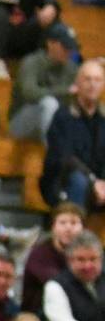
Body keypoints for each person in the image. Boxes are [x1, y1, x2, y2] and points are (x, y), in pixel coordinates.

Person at [41, 57, 105, 209]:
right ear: (77, 84)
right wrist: (92, 181)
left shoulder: (103, 117)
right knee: (78, 181)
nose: (92, 85)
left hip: (99, 183)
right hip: (62, 181)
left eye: (98, 80)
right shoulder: (63, 116)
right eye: (87, 79)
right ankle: (72, 230)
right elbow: (65, 158)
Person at [9, 23, 78, 142]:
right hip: (21, 121)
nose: (68, 51)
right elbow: (29, 92)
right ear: (50, 43)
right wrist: (64, 90)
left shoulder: (71, 68)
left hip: (56, 121)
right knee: (49, 103)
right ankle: (54, 153)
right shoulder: (32, 62)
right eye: (64, 47)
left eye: (70, 48)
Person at [22, 201, 83, 313]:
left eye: (74, 223)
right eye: (62, 223)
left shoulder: (85, 254)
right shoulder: (39, 254)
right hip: (39, 317)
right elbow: (59, 284)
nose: (68, 228)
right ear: (53, 227)